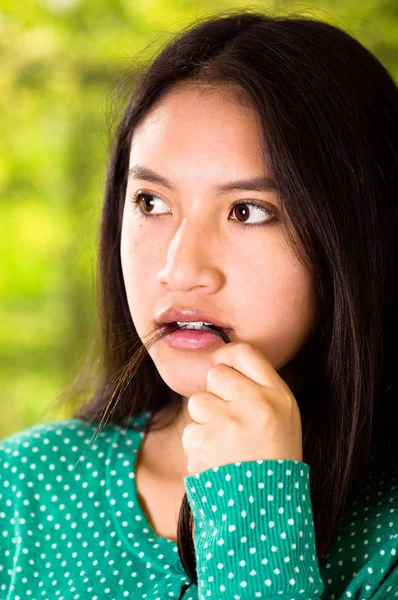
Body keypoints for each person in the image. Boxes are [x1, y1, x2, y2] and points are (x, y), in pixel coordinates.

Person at [1, 9, 397, 600]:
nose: (180, 268)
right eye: (152, 202)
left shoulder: (384, 529)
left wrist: (256, 502)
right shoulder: (23, 488)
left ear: (354, 232)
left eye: (248, 211)